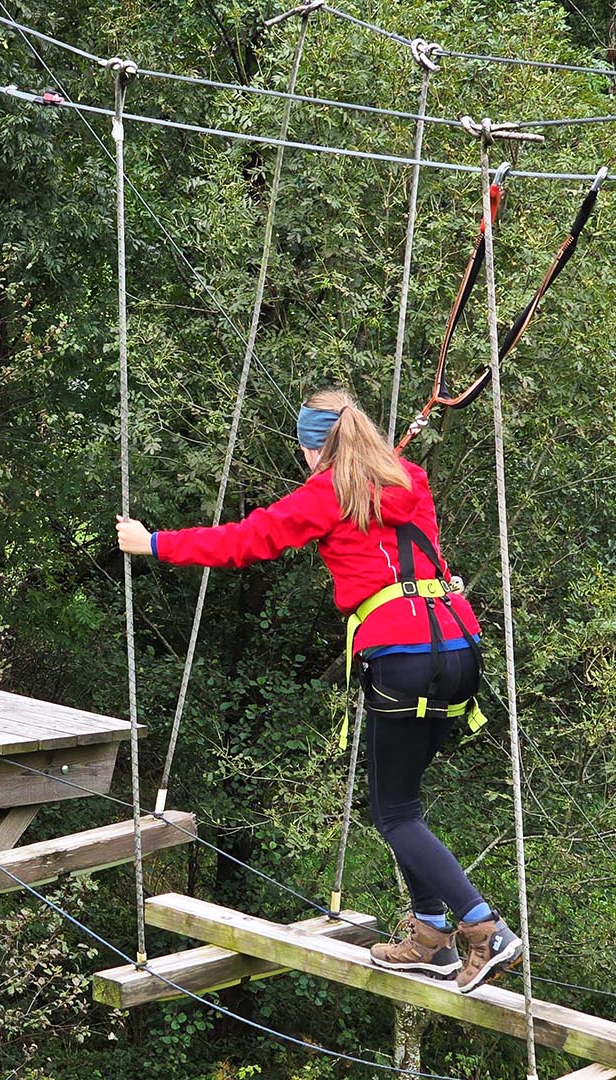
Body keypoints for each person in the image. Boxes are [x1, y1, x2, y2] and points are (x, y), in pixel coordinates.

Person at [115, 389, 523, 992]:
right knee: (398, 799)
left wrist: (153, 543)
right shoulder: (408, 476)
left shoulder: (325, 492)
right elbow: (381, 504)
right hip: (459, 646)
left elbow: (244, 541)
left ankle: (483, 929)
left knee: (395, 811)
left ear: (312, 448)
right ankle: (432, 933)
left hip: (402, 654)